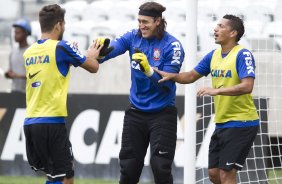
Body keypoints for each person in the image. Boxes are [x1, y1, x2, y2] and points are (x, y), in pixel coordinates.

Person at [155, 14, 259, 184]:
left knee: (227, 175)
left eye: (221, 26)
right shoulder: (214, 55)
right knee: (213, 174)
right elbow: (190, 76)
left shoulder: (242, 54)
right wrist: (171, 75)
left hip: (242, 122)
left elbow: (247, 86)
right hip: (222, 122)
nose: (215, 29)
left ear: (233, 33)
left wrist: (217, 91)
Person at [99, 2, 184, 184]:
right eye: (139, 21)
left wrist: (149, 71)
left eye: (145, 22)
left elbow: (168, 85)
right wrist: (99, 51)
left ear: (158, 21)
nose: (141, 26)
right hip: (135, 113)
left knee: (160, 167)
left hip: (163, 113)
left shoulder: (173, 46)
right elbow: (110, 51)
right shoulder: (132, 36)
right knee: (129, 170)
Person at [23, 4, 108, 184]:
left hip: (31, 122)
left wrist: (72, 57)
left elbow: (52, 69)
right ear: (59, 25)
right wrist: (92, 53)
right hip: (52, 123)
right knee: (66, 179)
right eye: (64, 24)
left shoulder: (29, 52)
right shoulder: (62, 47)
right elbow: (93, 67)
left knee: (53, 175)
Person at [5, 18, 31, 93]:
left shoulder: (31, 52)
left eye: (18, 32)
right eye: (14, 32)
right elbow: (11, 71)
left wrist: (17, 75)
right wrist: (8, 74)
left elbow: (35, 75)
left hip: (27, 94)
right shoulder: (13, 52)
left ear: (25, 34)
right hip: (14, 92)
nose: (15, 35)